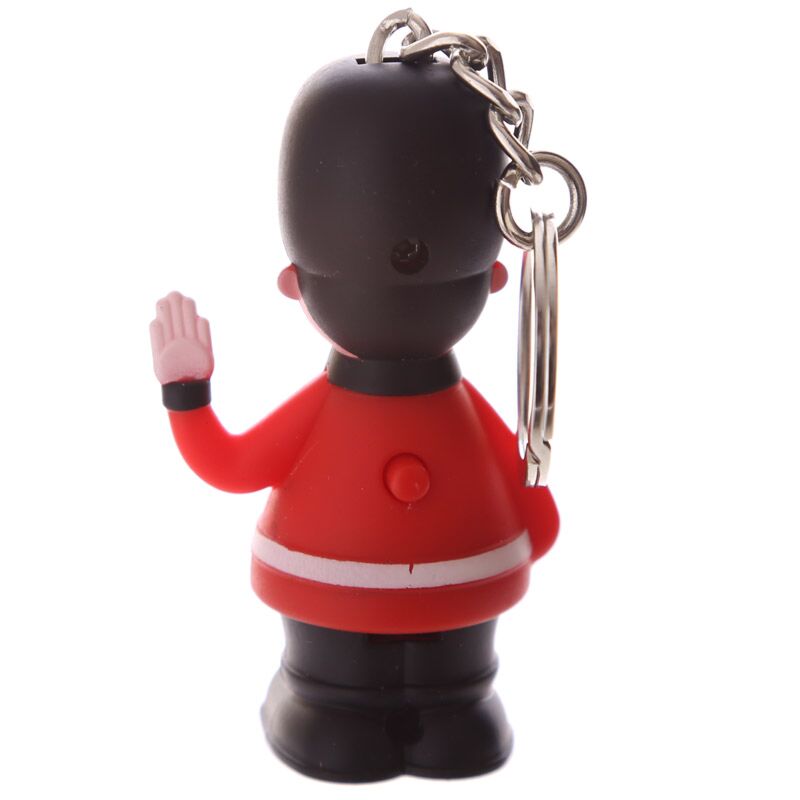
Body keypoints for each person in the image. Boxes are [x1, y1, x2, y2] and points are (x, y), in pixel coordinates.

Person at [150, 54, 558, 782]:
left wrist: (189, 395)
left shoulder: (427, 409)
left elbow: (231, 466)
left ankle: (453, 705)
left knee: (455, 695)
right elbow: (232, 465)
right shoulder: (366, 412)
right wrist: (187, 390)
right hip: (337, 610)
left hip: (458, 610)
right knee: (336, 707)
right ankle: (325, 706)